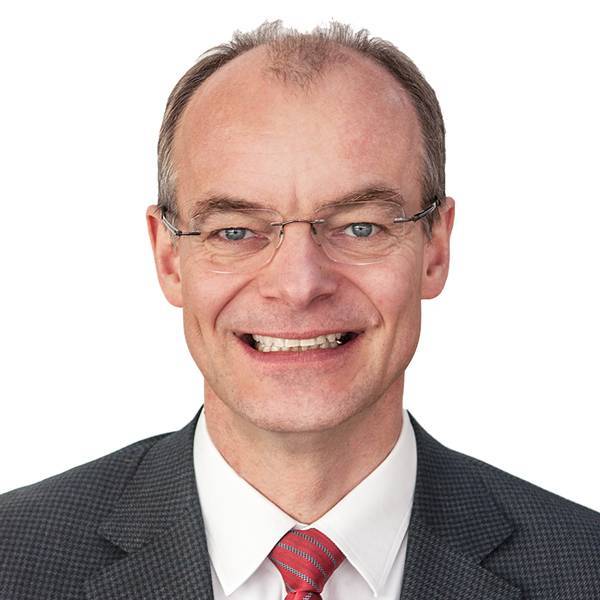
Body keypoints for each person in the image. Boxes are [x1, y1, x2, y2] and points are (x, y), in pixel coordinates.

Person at [1, 20, 598, 600]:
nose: (298, 285)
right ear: (169, 258)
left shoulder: (583, 568)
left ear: (435, 249)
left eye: (359, 226)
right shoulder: (13, 558)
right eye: (235, 231)